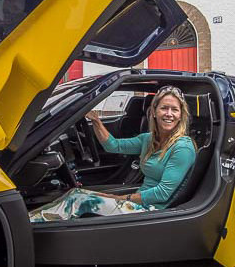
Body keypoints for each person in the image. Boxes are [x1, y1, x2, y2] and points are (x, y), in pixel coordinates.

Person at [28, 85, 196, 223]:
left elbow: (163, 193)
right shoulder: (148, 139)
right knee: (74, 193)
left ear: (181, 115)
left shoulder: (183, 147)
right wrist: (96, 121)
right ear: (153, 112)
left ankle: (32, 225)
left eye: (174, 109)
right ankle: (30, 219)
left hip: (153, 211)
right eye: (164, 108)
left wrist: (120, 198)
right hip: (138, 202)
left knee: (80, 200)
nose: (169, 114)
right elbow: (113, 145)